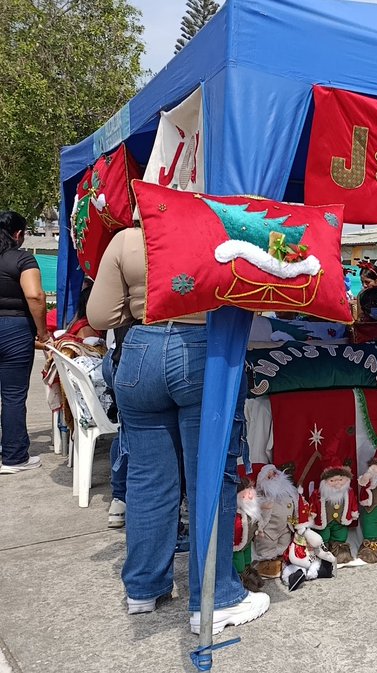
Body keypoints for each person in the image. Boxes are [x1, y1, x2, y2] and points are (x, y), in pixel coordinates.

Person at [88, 226, 269, 631]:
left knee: (148, 479)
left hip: (141, 349)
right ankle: (218, 595)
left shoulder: (128, 239)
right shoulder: (225, 226)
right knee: (210, 478)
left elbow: (100, 315)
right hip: (206, 349)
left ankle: (143, 588)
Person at [0, 211, 49, 474]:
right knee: (13, 396)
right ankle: (14, 457)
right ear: (18, 234)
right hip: (15, 330)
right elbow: (35, 296)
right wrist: (42, 332)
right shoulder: (22, 258)